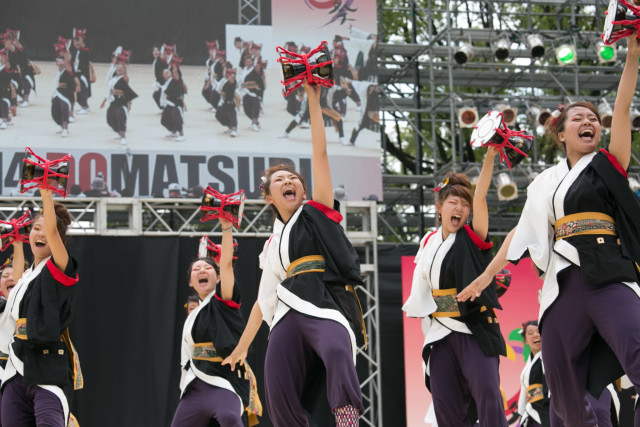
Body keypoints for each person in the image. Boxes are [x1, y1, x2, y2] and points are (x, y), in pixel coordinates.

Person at [459, 35, 640, 426]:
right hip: (563, 285)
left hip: (609, 273)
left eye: (593, 118)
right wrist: (486, 275)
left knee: (637, 347)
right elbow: (520, 233)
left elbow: (623, 107)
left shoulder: (608, 164)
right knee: (563, 386)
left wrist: (633, 54)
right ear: (560, 134)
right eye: (578, 118)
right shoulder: (544, 182)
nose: (588, 121)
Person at [222, 83, 366, 427]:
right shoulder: (272, 244)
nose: (289, 181)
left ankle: (348, 419)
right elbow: (262, 302)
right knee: (276, 386)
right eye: (280, 180)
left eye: (294, 178)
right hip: (287, 310)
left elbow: (320, 154)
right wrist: (242, 347)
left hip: (324, 303)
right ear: (269, 197)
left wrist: (314, 101)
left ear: (302, 189)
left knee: (336, 350)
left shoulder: (316, 212)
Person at [402, 147, 507, 427]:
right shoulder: (428, 241)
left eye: (464, 204)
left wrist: (489, 156)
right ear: (439, 207)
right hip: (439, 333)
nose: (459, 208)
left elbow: (481, 196)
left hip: (472, 328)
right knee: (445, 406)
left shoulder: (471, 238)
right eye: (453, 202)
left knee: (488, 393)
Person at [0, 185, 82, 426]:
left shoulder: (59, 266)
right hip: (16, 366)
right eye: (36, 228)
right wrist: (17, 245)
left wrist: (46, 196)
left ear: (58, 239)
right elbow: (16, 283)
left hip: (46, 369)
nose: (41, 234)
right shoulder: (29, 275)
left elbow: (53, 233)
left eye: (47, 230)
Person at [171, 216, 261, 427]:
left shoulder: (223, 300)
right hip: (195, 384)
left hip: (223, 380)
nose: (202, 270)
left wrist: (226, 228)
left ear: (218, 277)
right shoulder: (193, 316)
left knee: (230, 418)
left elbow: (227, 265)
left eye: (208, 268)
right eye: (196, 269)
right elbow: (186, 358)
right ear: (190, 282)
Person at [518, 321, 615, 427]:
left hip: (548, 404)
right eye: (530, 333)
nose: (536, 335)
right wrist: (521, 412)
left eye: (538, 332)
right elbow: (524, 391)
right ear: (526, 340)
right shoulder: (528, 365)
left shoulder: (548, 356)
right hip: (534, 409)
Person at [100, 59, 137, 146]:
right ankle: (119, 132)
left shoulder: (124, 78)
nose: (119, 69)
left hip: (121, 102)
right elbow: (108, 91)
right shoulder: (113, 79)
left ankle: (123, 137)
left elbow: (125, 78)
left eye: (121, 68)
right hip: (113, 102)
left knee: (119, 117)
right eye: (118, 68)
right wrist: (104, 101)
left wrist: (124, 67)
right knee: (110, 119)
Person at [51, 51, 78, 138]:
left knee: (64, 109)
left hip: (66, 93)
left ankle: (65, 128)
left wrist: (66, 56)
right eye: (58, 61)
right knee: (55, 111)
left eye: (61, 61)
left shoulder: (68, 70)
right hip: (57, 93)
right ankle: (62, 126)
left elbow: (68, 66)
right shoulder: (58, 72)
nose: (59, 62)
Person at [71, 28, 93, 114]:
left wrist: (80, 36)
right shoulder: (78, 51)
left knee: (82, 90)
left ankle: (84, 106)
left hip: (82, 75)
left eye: (77, 41)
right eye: (74, 42)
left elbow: (83, 64)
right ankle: (85, 105)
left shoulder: (84, 51)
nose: (75, 43)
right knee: (77, 91)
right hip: (78, 74)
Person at [160, 66, 185, 141]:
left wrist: (174, 65)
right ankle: (173, 131)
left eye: (168, 72)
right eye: (165, 73)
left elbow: (176, 73)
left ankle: (181, 134)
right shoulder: (165, 84)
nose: (167, 73)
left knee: (176, 117)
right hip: (169, 103)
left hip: (176, 103)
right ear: (163, 76)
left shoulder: (175, 80)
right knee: (164, 120)